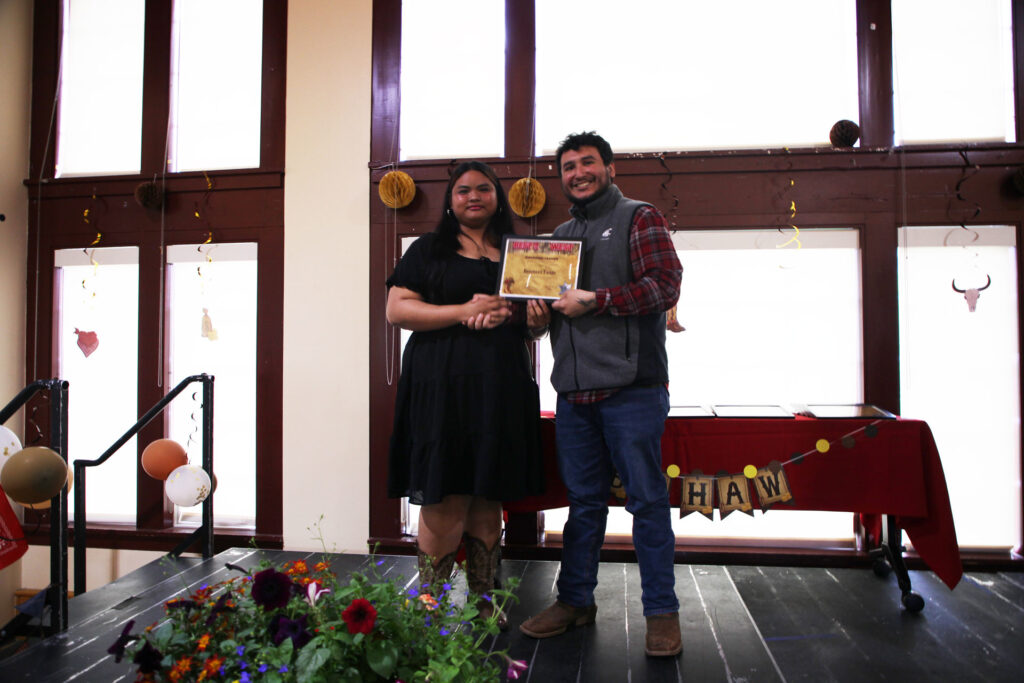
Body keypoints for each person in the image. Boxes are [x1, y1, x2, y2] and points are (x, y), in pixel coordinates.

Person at [519, 132, 684, 657]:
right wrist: (535, 318)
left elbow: (665, 286)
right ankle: (575, 602)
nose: (577, 172)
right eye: (568, 166)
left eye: (587, 162)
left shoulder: (640, 216)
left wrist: (598, 300)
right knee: (583, 506)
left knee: (649, 503)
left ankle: (661, 613)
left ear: (609, 168)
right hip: (573, 396)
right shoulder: (557, 236)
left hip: (633, 391)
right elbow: (545, 320)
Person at [386, 160, 544, 629]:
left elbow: (529, 324)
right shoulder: (429, 249)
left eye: (483, 188)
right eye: (462, 190)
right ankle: (430, 607)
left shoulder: (521, 253)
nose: (473, 196)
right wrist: (463, 310)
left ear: (497, 197)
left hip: (501, 384)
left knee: (488, 491)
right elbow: (397, 310)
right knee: (446, 493)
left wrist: (537, 323)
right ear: (450, 201)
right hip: (442, 386)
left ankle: (484, 599)